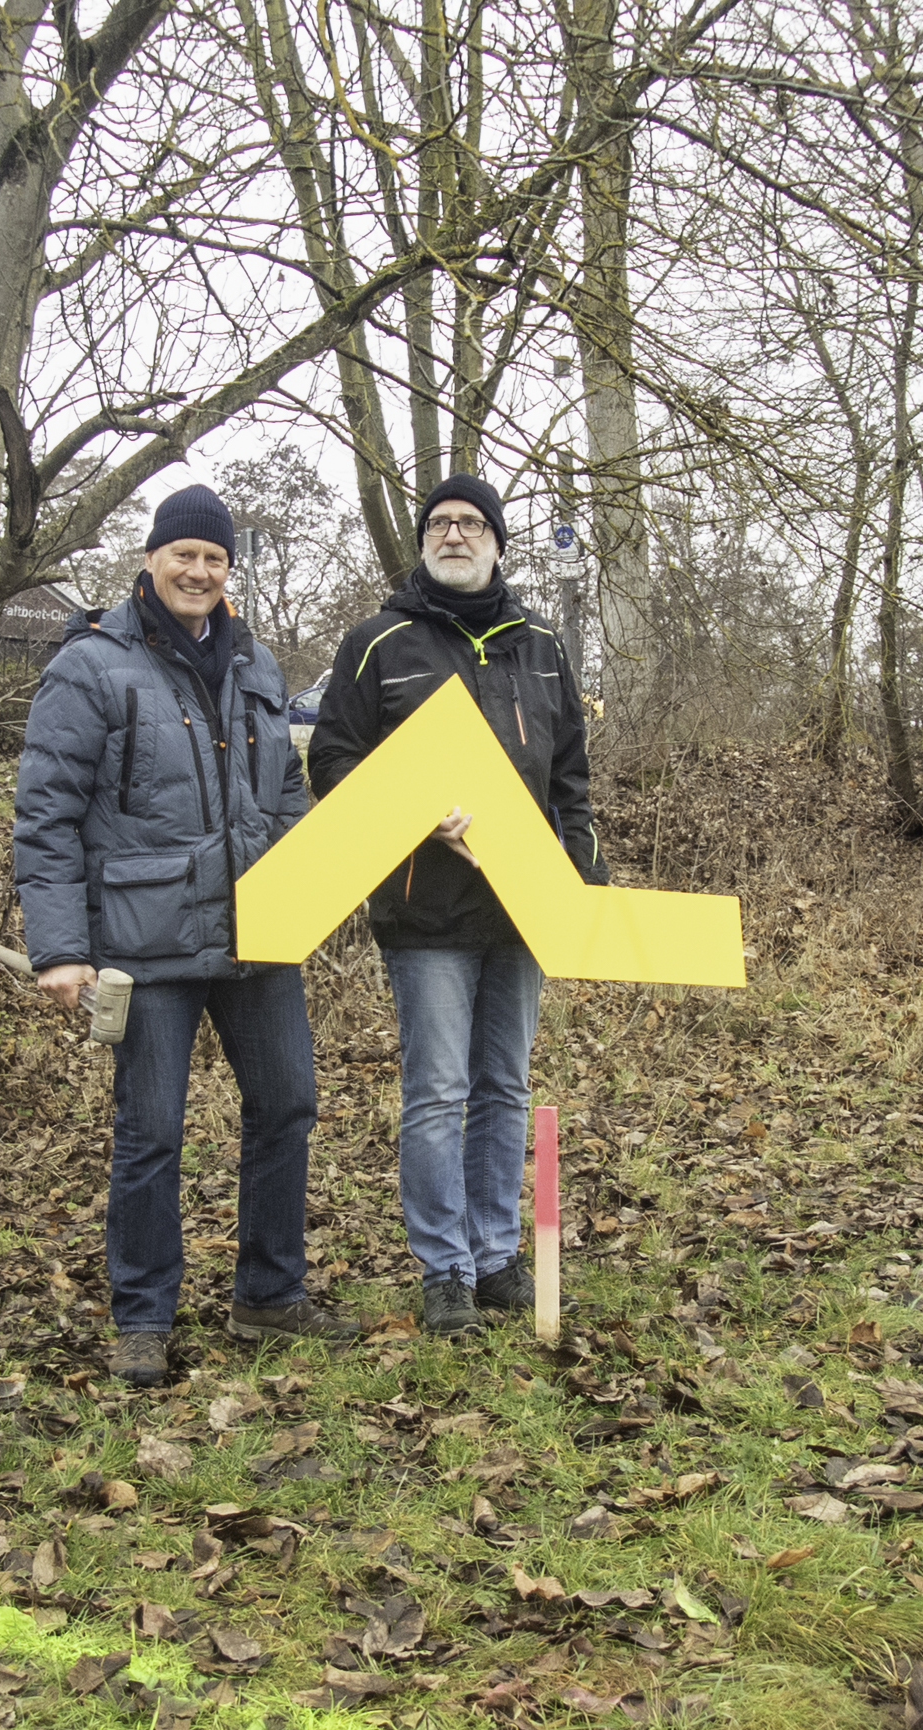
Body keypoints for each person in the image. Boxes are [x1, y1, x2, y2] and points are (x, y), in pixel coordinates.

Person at [14, 484, 358, 1387]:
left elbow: (284, 788)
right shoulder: (90, 666)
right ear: (151, 559)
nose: (198, 571)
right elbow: (45, 815)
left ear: (228, 571)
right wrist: (59, 947)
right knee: (152, 1131)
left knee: (287, 1105)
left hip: (258, 934)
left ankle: (269, 1297)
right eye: (184, 555)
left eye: (214, 558)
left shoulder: (256, 662)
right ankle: (142, 1316)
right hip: (143, 940)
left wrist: (296, 875)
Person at [308, 474, 606, 1336]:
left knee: (504, 1087)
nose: (454, 534)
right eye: (439, 523)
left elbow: (572, 785)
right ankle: (444, 1270)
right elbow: (330, 762)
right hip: (423, 912)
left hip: (523, 911)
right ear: (423, 541)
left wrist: (583, 887)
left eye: (471, 523)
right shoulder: (377, 643)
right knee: (438, 1091)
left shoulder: (543, 646)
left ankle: (498, 1255)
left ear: (498, 543)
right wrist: (411, 809)